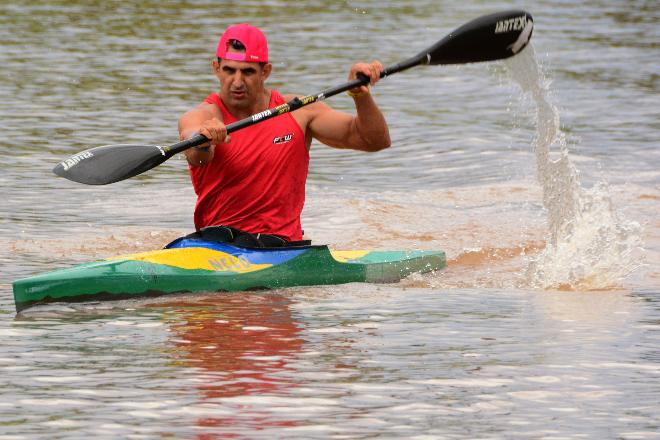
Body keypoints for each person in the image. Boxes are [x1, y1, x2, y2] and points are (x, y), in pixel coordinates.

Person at [178, 23, 390, 245]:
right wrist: (202, 141)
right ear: (216, 68)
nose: (237, 82)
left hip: (283, 248)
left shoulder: (299, 111)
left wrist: (360, 95)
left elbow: (374, 140)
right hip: (218, 246)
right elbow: (196, 152)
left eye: (248, 71)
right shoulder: (204, 116)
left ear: (266, 71)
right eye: (229, 70)